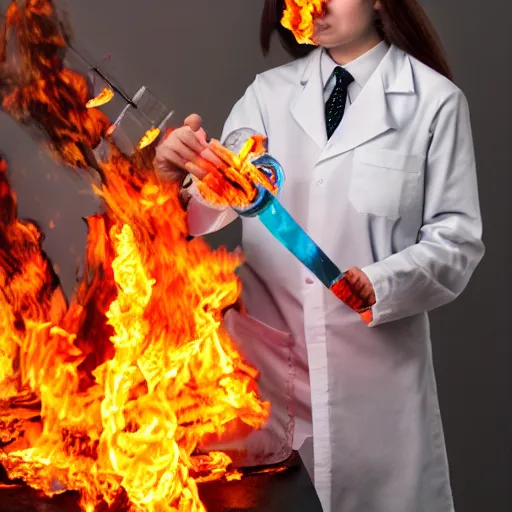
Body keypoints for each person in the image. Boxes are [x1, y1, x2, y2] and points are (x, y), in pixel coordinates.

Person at [154, 0, 485, 510]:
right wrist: (184, 172)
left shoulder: (433, 101)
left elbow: (456, 241)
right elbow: (208, 212)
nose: (317, 5)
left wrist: (382, 282)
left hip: (373, 382)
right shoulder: (268, 95)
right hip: (267, 375)